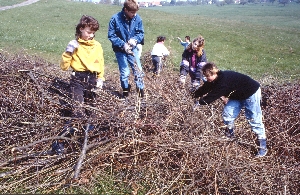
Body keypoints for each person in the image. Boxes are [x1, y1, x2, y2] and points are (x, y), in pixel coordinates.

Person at [193, 62, 268, 157]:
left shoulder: (223, 81)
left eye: (208, 76)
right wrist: (194, 95)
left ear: (214, 73)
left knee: (253, 118)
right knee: (228, 114)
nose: (207, 79)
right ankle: (230, 135)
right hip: (238, 94)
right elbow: (206, 87)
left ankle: (263, 147)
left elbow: (213, 96)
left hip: (251, 92)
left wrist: (200, 102)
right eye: (205, 76)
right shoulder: (215, 80)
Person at [55, 15, 105, 155]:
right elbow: (64, 67)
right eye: (89, 31)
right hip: (77, 79)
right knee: (77, 112)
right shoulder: (74, 44)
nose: (91, 35)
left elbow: (100, 62)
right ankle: (59, 143)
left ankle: (84, 143)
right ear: (81, 28)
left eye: (93, 32)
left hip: (92, 80)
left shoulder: (97, 46)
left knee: (92, 113)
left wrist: (100, 79)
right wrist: (68, 52)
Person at [108, 0, 145, 99]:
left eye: (135, 12)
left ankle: (141, 94)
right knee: (125, 72)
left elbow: (141, 33)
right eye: (132, 12)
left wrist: (135, 39)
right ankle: (125, 93)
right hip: (120, 50)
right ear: (126, 10)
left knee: (138, 71)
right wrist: (123, 44)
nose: (134, 15)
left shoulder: (137, 19)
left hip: (133, 49)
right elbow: (111, 36)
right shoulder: (115, 19)